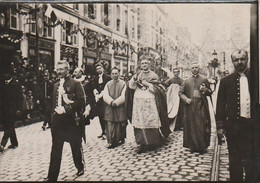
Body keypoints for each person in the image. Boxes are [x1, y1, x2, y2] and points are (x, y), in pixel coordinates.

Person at [216, 49, 255, 182]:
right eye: (236, 60)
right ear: (232, 62)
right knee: (235, 160)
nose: (239, 62)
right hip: (234, 127)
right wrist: (220, 126)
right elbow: (220, 105)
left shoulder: (256, 78)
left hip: (254, 127)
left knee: (253, 160)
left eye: (242, 59)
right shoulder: (226, 81)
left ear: (247, 59)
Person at [45, 60, 85, 181]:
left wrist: (66, 109)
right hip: (57, 122)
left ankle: (80, 166)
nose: (59, 71)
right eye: (58, 69)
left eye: (62, 69)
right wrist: (52, 116)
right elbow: (52, 102)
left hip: (71, 121)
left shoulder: (76, 83)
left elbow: (81, 102)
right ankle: (52, 177)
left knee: (75, 146)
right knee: (56, 149)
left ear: (68, 70)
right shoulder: (56, 85)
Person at [127, 59, 171, 154]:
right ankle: (142, 143)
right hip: (138, 101)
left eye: (146, 63)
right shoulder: (138, 74)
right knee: (140, 121)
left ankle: (152, 142)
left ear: (149, 65)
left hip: (150, 101)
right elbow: (131, 87)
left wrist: (148, 84)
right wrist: (134, 79)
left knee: (150, 120)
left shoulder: (154, 75)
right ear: (140, 65)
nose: (144, 65)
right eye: (142, 63)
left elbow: (158, 89)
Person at [179, 62, 212, 154]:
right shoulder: (186, 81)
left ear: (199, 69)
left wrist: (205, 90)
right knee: (191, 126)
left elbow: (210, 92)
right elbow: (180, 93)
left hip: (201, 106)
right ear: (190, 69)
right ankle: (192, 146)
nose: (194, 69)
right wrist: (186, 99)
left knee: (201, 125)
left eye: (196, 67)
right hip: (190, 106)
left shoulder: (204, 79)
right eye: (193, 68)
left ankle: (201, 146)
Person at [103, 67, 127, 148]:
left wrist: (116, 102)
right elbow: (105, 95)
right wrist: (111, 102)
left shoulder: (123, 84)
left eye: (116, 73)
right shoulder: (108, 84)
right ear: (111, 75)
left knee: (119, 123)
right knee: (110, 123)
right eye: (113, 74)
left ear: (119, 74)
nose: (114, 75)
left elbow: (124, 95)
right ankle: (110, 141)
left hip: (119, 106)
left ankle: (118, 139)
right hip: (110, 106)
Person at [0, 68, 23, 152]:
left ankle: (2, 144)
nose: (4, 76)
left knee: (9, 126)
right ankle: (14, 143)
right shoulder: (2, 83)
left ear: (10, 75)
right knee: (8, 126)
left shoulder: (16, 84)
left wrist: (19, 109)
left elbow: (20, 98)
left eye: (6, 75)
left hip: (13, 109)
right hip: (4, 109)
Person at [92, 62, 111, 139]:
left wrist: (101, 95)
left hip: (105, 98)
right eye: (97, 69)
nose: (98, 70)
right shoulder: (95, 78)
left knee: (105, 115)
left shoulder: (108, 77)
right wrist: (96, 94)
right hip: (98, 100)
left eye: (100, 68)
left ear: (103, 68)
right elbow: (94, 87)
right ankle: (103, 131)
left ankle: (107, 131)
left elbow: (107, 88)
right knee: (100, 116)